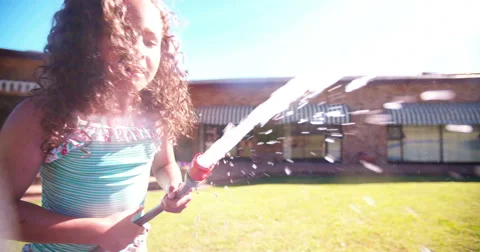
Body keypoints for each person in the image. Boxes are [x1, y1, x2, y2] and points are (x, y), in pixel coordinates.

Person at [0, 0, 198, 251]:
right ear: (84, 40)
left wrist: (172, 185)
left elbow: (164, 163)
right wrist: (97, 232)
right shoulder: (44, 115)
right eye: (122, 35)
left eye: (150, 41)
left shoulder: (155, 117)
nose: (138, 51)